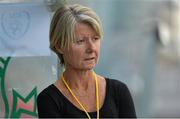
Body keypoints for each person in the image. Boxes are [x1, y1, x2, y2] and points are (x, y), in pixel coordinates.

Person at [37, 4, 136, 118]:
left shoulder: (118, 91)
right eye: (80, 41)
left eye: (95, 39)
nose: (92, 48)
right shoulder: (49, 100)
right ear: (59, 46)